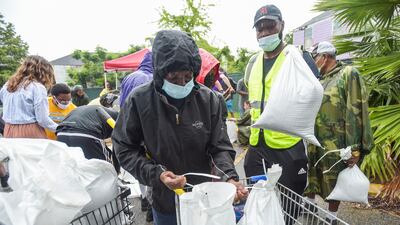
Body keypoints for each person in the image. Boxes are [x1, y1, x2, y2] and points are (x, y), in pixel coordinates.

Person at [112, 30, 248, 225]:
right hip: (165, 200)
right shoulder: (139, 100)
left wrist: (229, 178)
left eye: (187, 76)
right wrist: (157, 174)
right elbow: (124, 147)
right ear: (159, 73)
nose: (182, 83)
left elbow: (219, 147)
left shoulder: (208, 99)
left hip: (205, 199)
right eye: (174, 78)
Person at [243, 5, 319, 224]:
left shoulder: (297, 57)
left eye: (270, 26)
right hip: (258, 146)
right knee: (259, 201)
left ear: (282, 26)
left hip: (288, 147)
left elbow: (314, 95)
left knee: (288, 207)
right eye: (260, 29)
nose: (265, 32)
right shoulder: (253, 62)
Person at [305, 41, 373, 224]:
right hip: (315, 138)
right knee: (312, 172)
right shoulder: (320, 78)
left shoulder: (348, 74)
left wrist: (355, 147)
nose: (313, 62)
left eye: (315, 57)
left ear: (325, 57)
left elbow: (356, 110)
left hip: (337, 141)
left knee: (333, 178)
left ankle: (331, 216)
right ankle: (309, 205)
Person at [119, 50, 154, 222]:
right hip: (144, 128)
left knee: (138, 164)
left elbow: (121, 102)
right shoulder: (148, 79)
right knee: (150, 163)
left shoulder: (130, 76)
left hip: (128, 126)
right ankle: (150, 201)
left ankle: (144, 198)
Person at [0, 55, 57, 138]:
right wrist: (59, 128)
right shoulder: (37, 87)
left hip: (9, 129)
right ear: (43, 72)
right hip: (30, 130)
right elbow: (42, 119)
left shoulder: (7, 86)